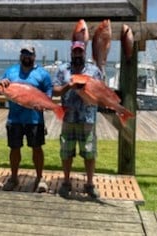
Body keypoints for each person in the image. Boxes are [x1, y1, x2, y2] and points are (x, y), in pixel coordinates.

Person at [0, 46, 52, 193]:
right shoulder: (11, 71)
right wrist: (2, 83)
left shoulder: (43, 74)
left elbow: (48, 93)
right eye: (24, 53)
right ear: (20, 56)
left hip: (35, 119)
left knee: (37, 148)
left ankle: (40, 178)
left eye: (29, 54)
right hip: (14, 119)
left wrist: (45, 104)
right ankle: (14, 177)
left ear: (34, 56)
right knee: (14, 149)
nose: (26, 56)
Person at [52, 41, 102, 198]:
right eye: (75, 52)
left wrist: (86, 89)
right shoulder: (63, 70)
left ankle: (89, 184)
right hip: (68, 117)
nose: (78, 54)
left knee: (89, 152)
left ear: (84, 53)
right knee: (66, 151)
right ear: (71, 53)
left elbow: (100, 91)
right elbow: (55, 91)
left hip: (87, 118)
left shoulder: (94, 70)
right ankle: (66, 182)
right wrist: (69, 85)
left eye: (80, 51)